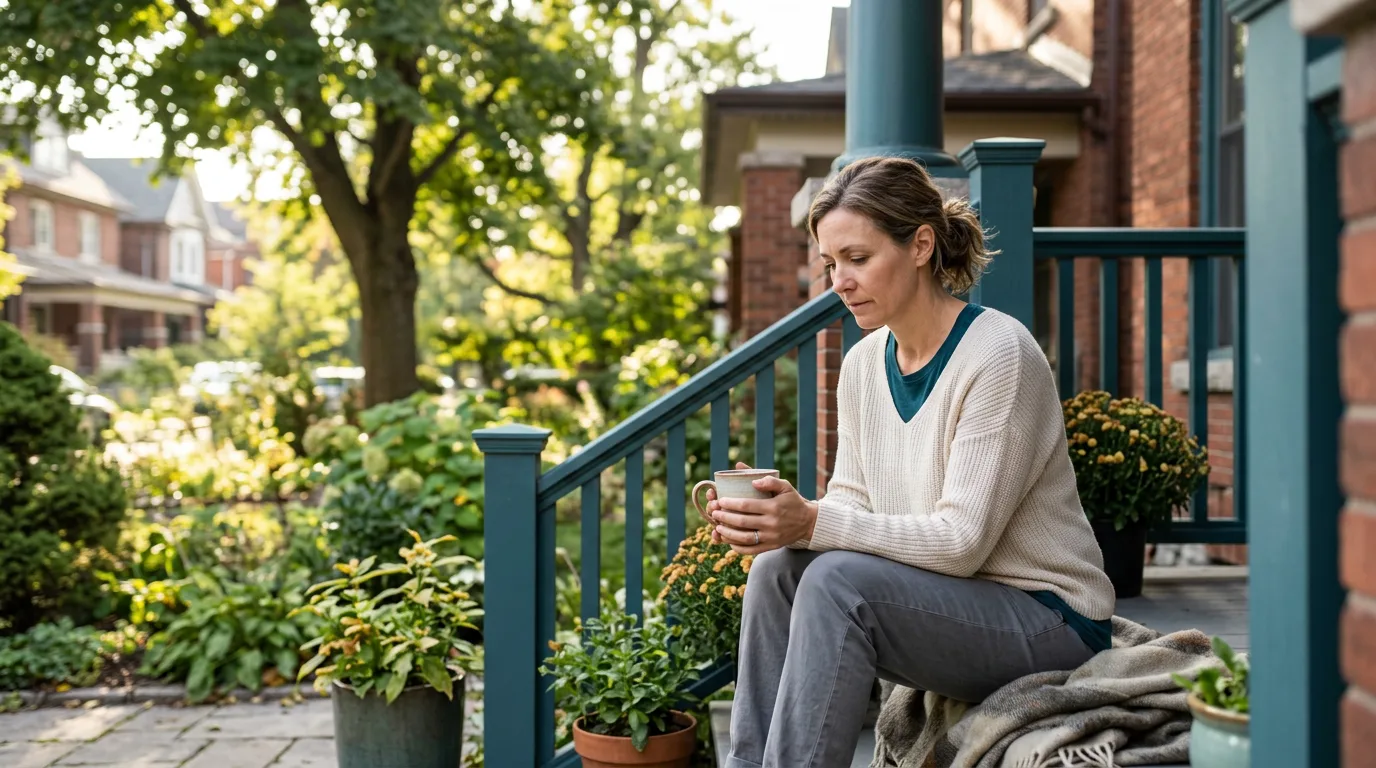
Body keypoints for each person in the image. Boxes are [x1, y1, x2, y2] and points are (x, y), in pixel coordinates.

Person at [702, 155, 1116, 768]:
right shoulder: (865, 366)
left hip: (1046, 619)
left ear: (921, 244)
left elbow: (962, 543)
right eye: (830, 263)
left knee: (837, 584)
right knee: (776, 573)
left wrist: (815, 523)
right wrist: (782, 518)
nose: (839, 280)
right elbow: (852, 504)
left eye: (858, 258)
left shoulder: (998, 354)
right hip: (949, 605)